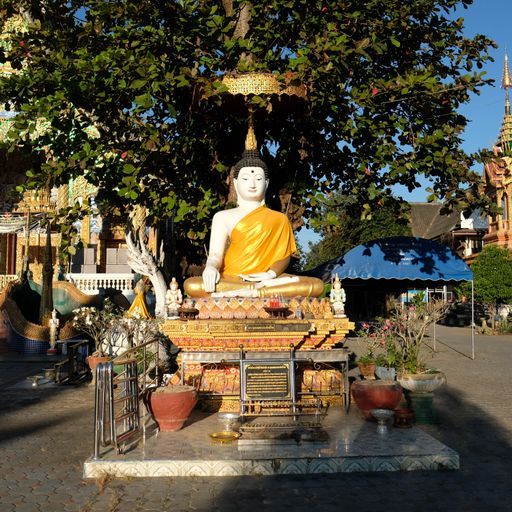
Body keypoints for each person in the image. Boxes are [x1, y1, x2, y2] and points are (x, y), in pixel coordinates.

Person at [184, 143, 324, 298]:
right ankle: (256, 294)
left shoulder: (279, 218)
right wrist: (210, 268)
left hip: (269, 281)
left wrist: (270, 274)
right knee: (193, 285)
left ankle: (250, 293)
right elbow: (215, 255)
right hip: (232, 279)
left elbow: (284, 257)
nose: (252, 184)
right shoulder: (223, 216)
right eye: (245, 178)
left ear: (266, 183)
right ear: (236, 183)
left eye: (258, 178)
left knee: (315, 285)